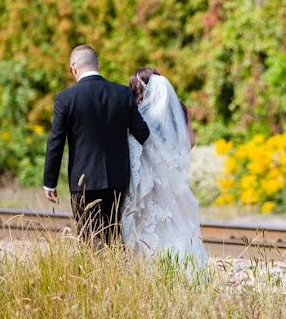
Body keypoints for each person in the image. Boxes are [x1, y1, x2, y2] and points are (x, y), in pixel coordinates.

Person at [43, 45, 150, 245]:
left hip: (84, 182)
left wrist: (50, 181)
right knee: (114, 236)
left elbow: (56, 142)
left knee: (89, 237)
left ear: (73, 68)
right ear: (98, 65)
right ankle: (114, 273)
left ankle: (97, 274)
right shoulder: (122, 94)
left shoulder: (65, 99)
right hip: (118, 179)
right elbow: (143, 133)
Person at [121, 67, 207, 268]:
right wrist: (172, 160)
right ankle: (183, 266)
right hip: (171, 178)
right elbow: (191, 141)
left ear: (139, 89)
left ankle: (150, 267)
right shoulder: (180, 108)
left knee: (149, 224)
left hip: (148, 181)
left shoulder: (140, 113)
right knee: (175, 222)